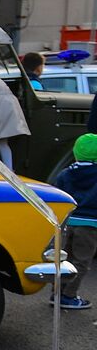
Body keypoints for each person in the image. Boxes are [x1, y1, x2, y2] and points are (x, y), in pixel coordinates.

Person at [53, 133, 97, 310]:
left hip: (68, 222)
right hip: (90, 225)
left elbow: (57, 195)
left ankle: (56, 293)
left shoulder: (65, 173)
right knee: (82, 262)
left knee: (65, 259)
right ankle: (68, 296)